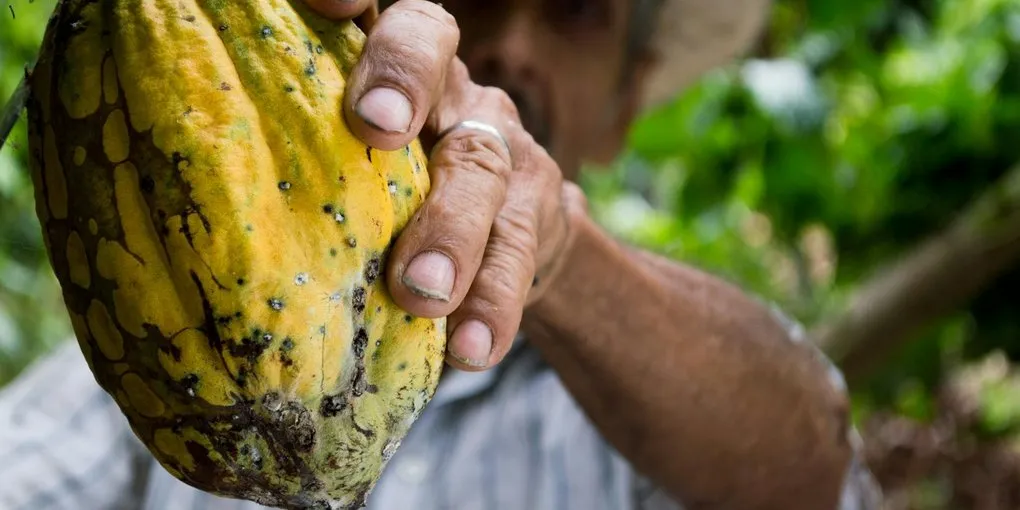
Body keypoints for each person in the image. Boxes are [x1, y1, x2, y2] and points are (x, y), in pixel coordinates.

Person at [0, 0, 884, 509]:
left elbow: (810, 468)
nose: (512, 42)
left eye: (576, 8)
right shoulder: (166, 316)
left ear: (626, 104)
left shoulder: (648, 410)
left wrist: (561, 256)